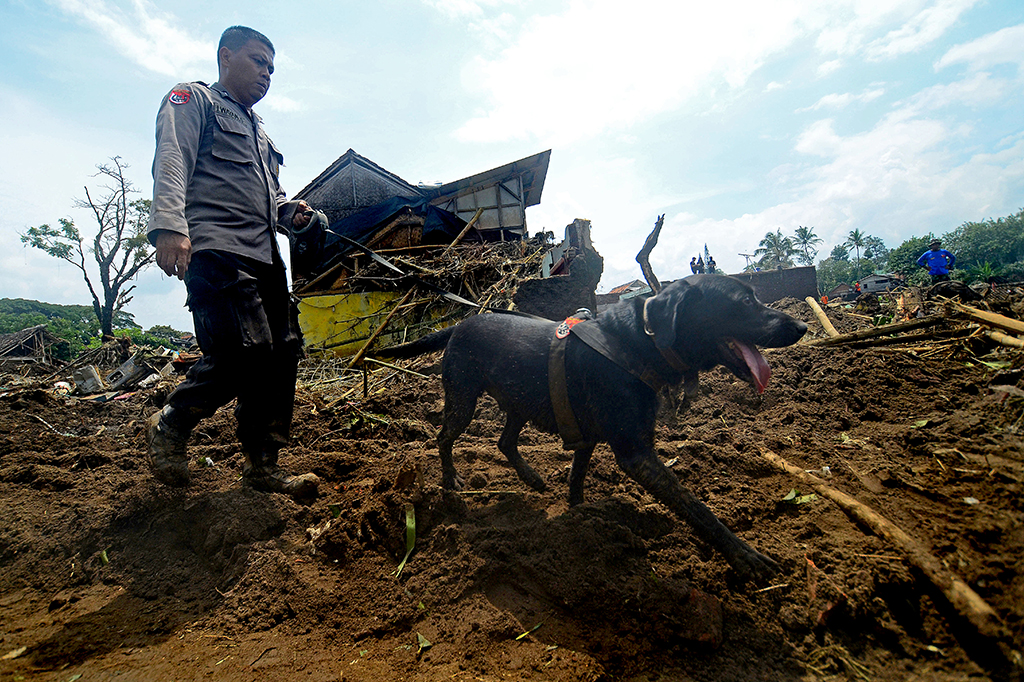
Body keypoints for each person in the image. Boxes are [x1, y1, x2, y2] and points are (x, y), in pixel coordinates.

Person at [146, 26, 319, 498]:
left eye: (271, 68)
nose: (266, 73)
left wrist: (291, 213)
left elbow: (270, 197)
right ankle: (172, 423)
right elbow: (172, 157)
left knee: (281, 355)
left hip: (265, 257)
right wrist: (169, 225)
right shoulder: (193, 100)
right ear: (226, 56)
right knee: (245, 350)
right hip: (215, 248)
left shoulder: (262, 134)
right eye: (258, 60)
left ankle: (263, 467)